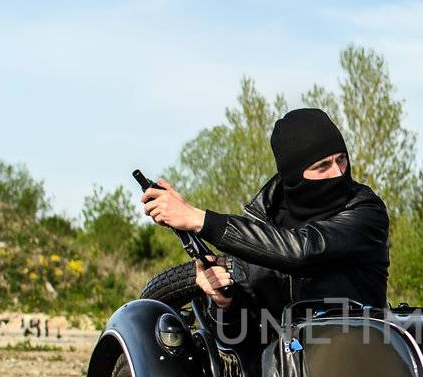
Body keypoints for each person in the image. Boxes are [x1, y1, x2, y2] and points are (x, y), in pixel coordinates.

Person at [140, 107, 389, 319]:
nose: (337, 172)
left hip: (356, 356)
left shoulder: (365, 210)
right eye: (323, 166)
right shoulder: (263, 224)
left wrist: (198, 219)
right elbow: (240, 334)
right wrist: (223, 302)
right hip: (281, 367)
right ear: (294, 174)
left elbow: (302, 250)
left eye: (341, 160)